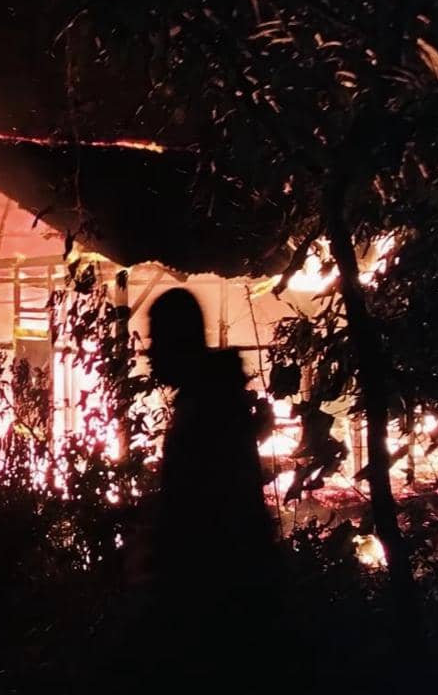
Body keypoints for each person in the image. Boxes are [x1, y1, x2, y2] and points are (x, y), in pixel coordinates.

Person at [136, 287, 281, 690]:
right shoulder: (212, 400)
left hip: (215, 602)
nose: (150, 352)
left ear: (177, 341)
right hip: (226, 597)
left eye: (157, 339)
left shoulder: (205, 410)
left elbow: (202, 515)